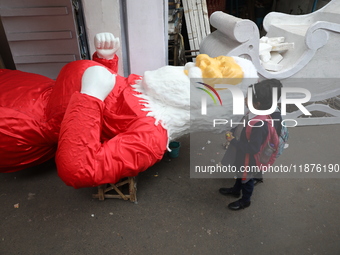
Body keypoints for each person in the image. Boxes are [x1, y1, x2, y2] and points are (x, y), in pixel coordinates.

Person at [0, 32, 258, 188]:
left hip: (17, 122)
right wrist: (105, 60)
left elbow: (78, 169)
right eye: (198, 65)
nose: (191, 67)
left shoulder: (150, 138)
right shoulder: (151, 89)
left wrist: (90, 96)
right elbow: (112, 103)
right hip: (29, 87)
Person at [219, 79, 282, 210]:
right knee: (240, 174)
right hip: (242, 156)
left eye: (247, 97)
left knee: (247, 180)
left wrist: (233, 141)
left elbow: (254, 148)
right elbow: (244, 127)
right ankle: (236, 190)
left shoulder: (260, 124)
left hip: (249, 160)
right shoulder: (253, 113)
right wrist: (233, 131)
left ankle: (245, 200)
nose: (244, 99)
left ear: (257, 104)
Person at [253, 79, 283, 185]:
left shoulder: (274, 116)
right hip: (264, 143)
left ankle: (256, 177)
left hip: (266, 146)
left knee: (260, 161)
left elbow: (269, 135)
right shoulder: (269, 108)